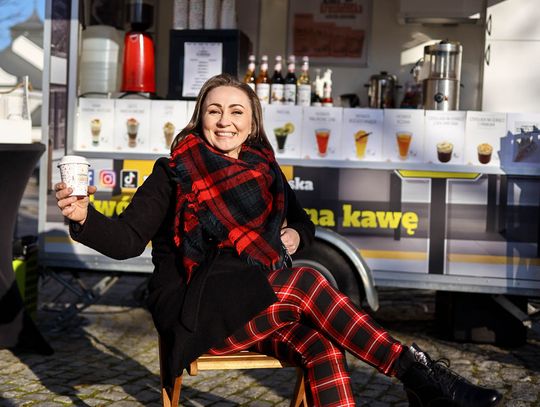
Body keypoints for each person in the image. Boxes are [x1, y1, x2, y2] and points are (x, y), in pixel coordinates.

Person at [55, 73, 502, 406]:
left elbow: (303, 224)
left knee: (321, 345)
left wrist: (294, 235)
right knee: (305, 283)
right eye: (214, 111)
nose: (225, 121)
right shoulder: (174, 173)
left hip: (258, 305)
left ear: (252, 124)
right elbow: (128, 240)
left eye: (236, 112)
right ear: (200, 118)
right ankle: (416, 372)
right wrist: (83, 217)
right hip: (197, 311)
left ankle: (420, 378)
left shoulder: (265, 171)